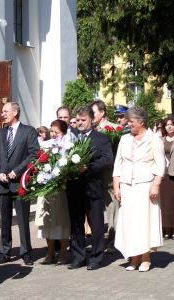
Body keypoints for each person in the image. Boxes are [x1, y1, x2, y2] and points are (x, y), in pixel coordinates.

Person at [113, 106, 165, 272]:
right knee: (130, 222)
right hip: (127, 186)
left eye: (131, 122)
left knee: (143, 222)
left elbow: (160, 164)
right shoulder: (124, 139)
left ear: (142, 122)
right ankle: (133, 256)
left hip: (145, 186)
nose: (129, 124)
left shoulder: (154, 139)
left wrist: (155, 185)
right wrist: (116, 186)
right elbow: (118, 164)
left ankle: (145, 257)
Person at [66, 106, 113, 271]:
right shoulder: (70, 138)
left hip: (92, 187)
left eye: (83, 120)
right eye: (77, 120)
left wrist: (89, 166)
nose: (79, 123)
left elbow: (108, 159)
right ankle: (78, 256)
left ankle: (96, 257)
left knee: (96, 224)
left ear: (91, 120)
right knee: (76, 224)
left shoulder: (101, 138)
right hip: (74, 188)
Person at [0, 102, 39, 265]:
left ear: (15, 112)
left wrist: (17, 171)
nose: (2, 114)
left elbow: (34, 155)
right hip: (3, 184)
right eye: (2, 111)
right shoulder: (0, 133)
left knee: (22, 220)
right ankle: (4, 252)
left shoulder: (28, 131)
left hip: (20, 183)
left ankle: (26, 251)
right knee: (4, 220)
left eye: (5, 111)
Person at [35, 119, 71, 265]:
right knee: (46, 221)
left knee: (61, 222)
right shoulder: (46, 145)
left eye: (57, 132)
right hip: (46, 189)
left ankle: (63, 252)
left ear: (63, 132)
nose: (54, 134)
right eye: (52, 131)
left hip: (60, 190)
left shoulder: (67, 146)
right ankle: (49, 253)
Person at [91, 100, 119, 253]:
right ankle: (98, 242)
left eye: (93, 112)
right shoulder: (90, 129)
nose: (91, 115)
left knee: (113, 211)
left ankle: (113, 241)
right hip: (93, 178)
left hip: (109, 177)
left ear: (102, 112)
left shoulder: (114, 129)